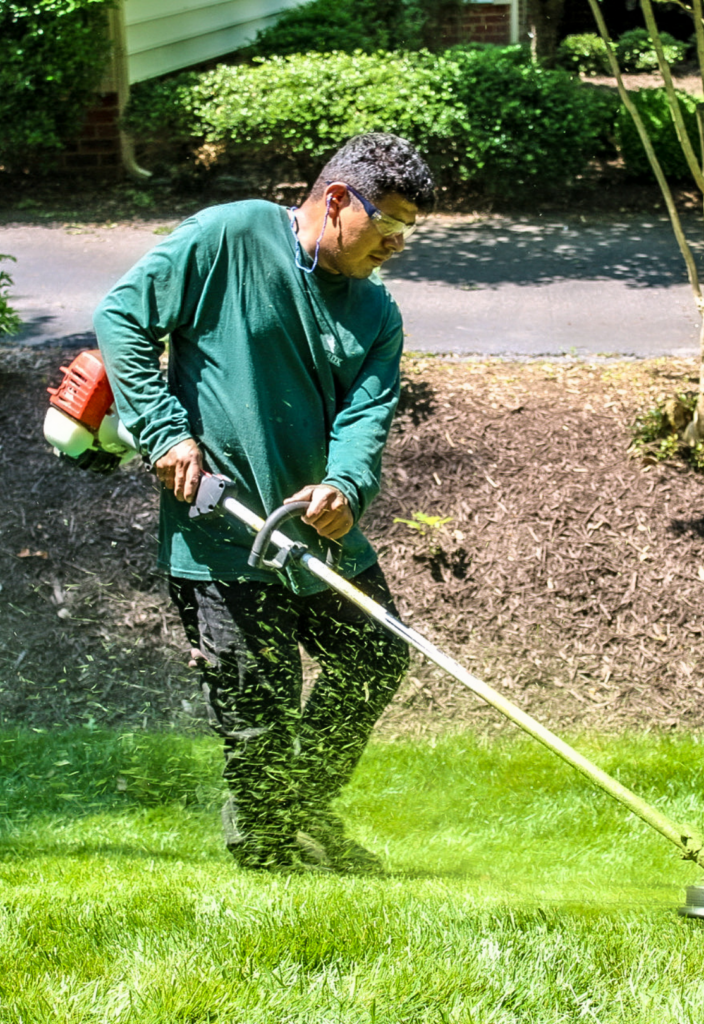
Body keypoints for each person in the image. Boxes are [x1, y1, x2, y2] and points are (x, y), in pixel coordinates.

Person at [93, 133, 436, 873]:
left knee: (376, 657)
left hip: (316, 536)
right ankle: (269, 849)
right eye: (390, 227)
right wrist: (165, 433)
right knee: (262, 711)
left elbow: (365, 420)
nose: (398, 247)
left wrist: (346, 486)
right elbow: (122, 316)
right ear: (339, 200)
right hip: (221, 533)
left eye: (409, 233)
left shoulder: (377, 315)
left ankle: (301, 808)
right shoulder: (233, 235)